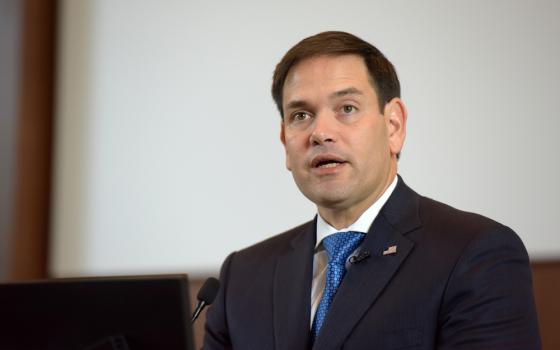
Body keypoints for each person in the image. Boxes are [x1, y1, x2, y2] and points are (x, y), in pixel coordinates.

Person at [203, 31, 541, 349]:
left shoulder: (474, 253)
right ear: (284, 142)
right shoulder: (242, 277)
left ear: (394, 125)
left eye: (347, 108)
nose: (320, 133)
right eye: (301, 115)